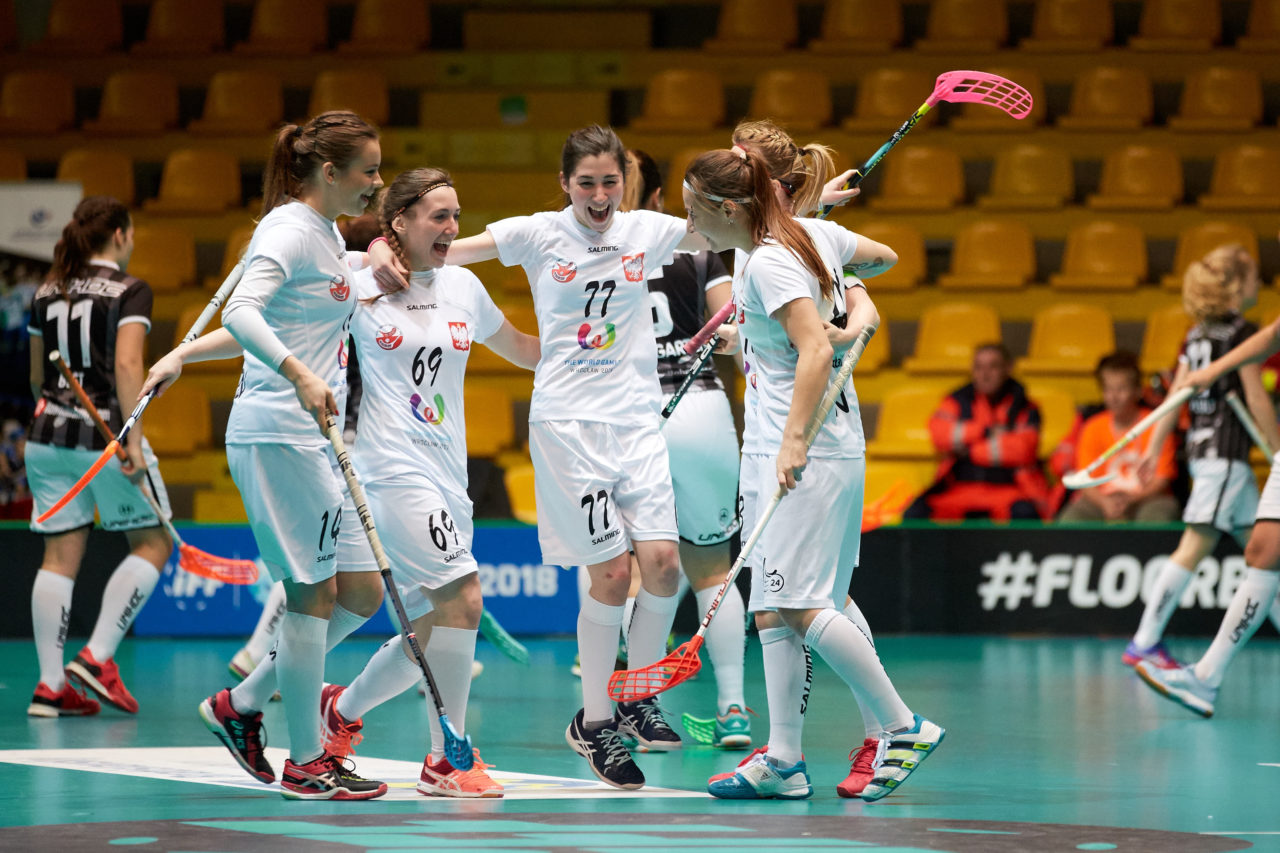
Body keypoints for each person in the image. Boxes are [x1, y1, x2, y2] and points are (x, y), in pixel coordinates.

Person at [372, 125, 714, 789]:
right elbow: (443, 246)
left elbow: (730, 234)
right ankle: (595, 722)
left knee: (666, 567)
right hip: (568, 427)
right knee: (612, 575)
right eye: (585, 181)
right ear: (565, 185)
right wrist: (384, 247)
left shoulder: (649, 228)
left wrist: (798, 210)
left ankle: (637, 694)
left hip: (637, 422)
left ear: (625, 182)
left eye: (608, 181)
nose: (598, 193)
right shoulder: (535, 233)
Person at [685, 148, 944, 802]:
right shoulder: (809, 234)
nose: (689, 224)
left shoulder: (772, 257)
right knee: (777, 605)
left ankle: (900, 724)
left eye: (694, 210)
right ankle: (784, 760)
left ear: (728, 207)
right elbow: (876, 257)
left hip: (799, 445)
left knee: (801, 604)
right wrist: (848, 292)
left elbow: (816, 347)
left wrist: (794, 438)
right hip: (812, 442)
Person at [148, 111, 390, 800]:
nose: (376, 182)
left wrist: (184, 354)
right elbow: (243, 313)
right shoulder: (288, 228)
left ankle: (242, 702)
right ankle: (307, 760)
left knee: (363, 590)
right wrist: (301, 374)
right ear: (329, 171)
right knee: (311, 595)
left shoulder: (324, 234)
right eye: (368, 170)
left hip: (313, 433)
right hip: (280, 431)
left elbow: (269, 320)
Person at [312, 167, 539, 798]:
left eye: (456, 217)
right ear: (401, 220)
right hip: (389, 471)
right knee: (463, 600)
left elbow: (521, 348)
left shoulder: (463, 285)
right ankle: (447, 760)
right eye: (438, 216)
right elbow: (318, 263)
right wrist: (375, 251)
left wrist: (603, 356)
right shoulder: (361, 279)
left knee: (430, 631)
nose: (451, 228)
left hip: (449, 475)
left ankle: (342, 710)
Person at [24, 195, 173, 718]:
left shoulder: (47, 290)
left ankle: (48, 686)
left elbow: (35, 375)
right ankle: (97, 656)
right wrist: (132, 441)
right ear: (121, 235)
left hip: (45, 436)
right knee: (153, 542)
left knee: (58, 556)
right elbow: (130, 364)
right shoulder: (130, 290)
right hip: (104, 433)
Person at [1133, 243, 1280, 714]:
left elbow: (1176, 395)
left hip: (1203, 453)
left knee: (1260, 551)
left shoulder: (1195, 335)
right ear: (1238, 285)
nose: (1262, 284)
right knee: (1217, 548)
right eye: (1256, 277)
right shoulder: (1239, 332)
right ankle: (1146, 643)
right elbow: (1256, 391)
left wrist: (1155, 448)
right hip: (1227, 455)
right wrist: (1278, 452)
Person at [904, 343, 1052, 521]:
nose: (985, 374)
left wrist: (968, 451)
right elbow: (940, 435)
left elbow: (1022, 450)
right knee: (915, 513)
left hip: (1009, 490)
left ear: (1008, 368)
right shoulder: (956, 400)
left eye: (993, 366)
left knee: (1025, 514)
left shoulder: (1026, 406)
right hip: (959, 488)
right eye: (979, 367)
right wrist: (987, 432)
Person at [1057, 351, 1179, 523]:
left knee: (1159, 515)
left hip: (1147, 498)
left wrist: (1132, 500)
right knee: (1071, 519)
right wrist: (1104, 502)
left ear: (1137, 390)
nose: (1114, 397)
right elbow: (1085, 480)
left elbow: (1162, 479)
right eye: (1108, 389)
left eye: (1121, 389)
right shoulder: (1092, 427)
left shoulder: (1157, 423)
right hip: (1102, 499)